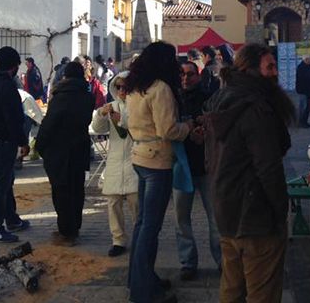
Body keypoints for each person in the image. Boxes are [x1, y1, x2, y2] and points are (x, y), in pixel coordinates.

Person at [206, 44, 293, 303]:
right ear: (251, 70)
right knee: (262, 293)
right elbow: (268, 168)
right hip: (256, 217)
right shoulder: (256, 108)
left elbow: (211, 158)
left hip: (226, 210)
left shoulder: (221, 100)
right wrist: (280, 210)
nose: (275, 73)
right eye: (270, 67)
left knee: (232, 290)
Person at [124, 41, 194, 303]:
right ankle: (143, 293)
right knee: (149, 228)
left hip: (140, 157)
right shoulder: (161, 89)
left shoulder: (135, 87)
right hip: (158, 162)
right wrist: (186, 126)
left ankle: (139, 279)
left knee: (142, 224)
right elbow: (168, 130)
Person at [36, 61, 94, 245]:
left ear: (65, 76)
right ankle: (74, 228)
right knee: (77, 190)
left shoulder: (60, 98)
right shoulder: (87, 96)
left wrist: (40, 146)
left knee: (61, 192)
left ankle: (66, 232)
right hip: (80, 149)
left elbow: (49, 125)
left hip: (59, 152)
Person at [174, 62, 221, 281]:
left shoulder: (210, 98)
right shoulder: (173, 99)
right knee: (181, 219)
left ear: (198, 76)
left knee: (216, 219)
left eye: (190, 75)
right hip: (182, 167)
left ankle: (222, 260)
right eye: (182, 74)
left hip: (206, 166)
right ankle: (188, 262)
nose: (185, 78)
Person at [0, 46, 31, 243]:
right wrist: (22, 142)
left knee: (6, 181)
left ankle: (11, 219)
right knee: (1, 185)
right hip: (3, 141)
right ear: (13, 67)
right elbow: (13, 118)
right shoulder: (6, 86)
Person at [90, 72, 138, 257]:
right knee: (113, 203)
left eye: (125, 87)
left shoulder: (138, 106)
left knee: (136, 202)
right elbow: (98, 129)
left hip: (135, 160)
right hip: (116, 161)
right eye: (118, 87)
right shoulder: (111, 106)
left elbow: (140, 127)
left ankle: (140, 237)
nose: (121, 90)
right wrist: (101, 115)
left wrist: (123, 121)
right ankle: (118, 240)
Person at [295, 56, 310, 127]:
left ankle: (305, 122)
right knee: (303, 107)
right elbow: (304, 78)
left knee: (307, 107)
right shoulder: (301, 67)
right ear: (306, 60)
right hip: (303, 90)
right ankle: (301, 122)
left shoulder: (308, 67)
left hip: (308, 91)